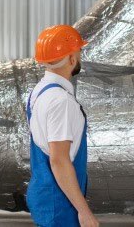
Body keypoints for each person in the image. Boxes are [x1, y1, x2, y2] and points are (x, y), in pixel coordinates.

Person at [25, 24, 99, 227]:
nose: (80, 57)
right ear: (72, 59)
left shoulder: (39, 91)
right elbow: (58, 160)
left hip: (47, 194)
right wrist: (84, 212)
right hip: (59, 201)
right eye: (79, 52)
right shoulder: (60, 101)